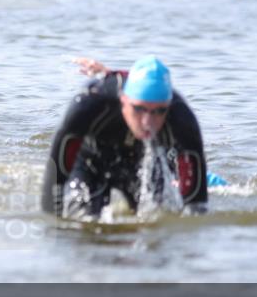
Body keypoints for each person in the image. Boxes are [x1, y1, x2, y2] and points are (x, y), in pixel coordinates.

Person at [42, 56, 208, 219]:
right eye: (138, 109)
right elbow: (54, 180)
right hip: (91, 162)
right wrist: (52, 225)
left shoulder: (182, 119)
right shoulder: (90, 105)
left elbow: (196, 205)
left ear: (168, 105)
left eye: (159, 111)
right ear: (124, 100)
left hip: (143, 166)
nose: (147, 122)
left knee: (156, 225)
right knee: (84, 222)